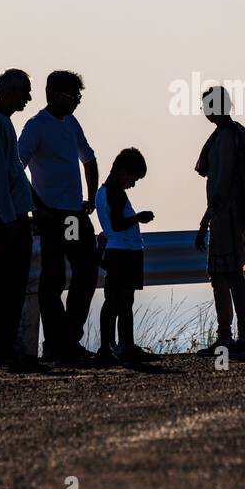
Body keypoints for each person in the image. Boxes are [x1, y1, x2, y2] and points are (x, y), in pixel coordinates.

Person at [18, 70, 100, 361]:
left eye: (79, 97)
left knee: (85, 272)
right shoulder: (36, 126)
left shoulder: (71, 122)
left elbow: (89, 158)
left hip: (72, 217)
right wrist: (38, 206)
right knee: (53, 279)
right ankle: (58, 342)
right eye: (73, 97)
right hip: (53, 218)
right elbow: (18, 165)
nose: (77, 102)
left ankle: (67, 338)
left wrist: (91, 197)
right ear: (54, 95)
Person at [193, 86, 245, 358]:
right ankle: (237, 335)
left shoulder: (227, 136)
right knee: (227, 275)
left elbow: (223, 180)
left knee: (225, 274)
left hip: (226, 215)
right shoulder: (232, 133)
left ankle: (235, 336)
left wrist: (207, 217)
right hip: (228, 213)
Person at [0, 68, 43, 371]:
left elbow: (13, 171)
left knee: (12, 285)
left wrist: (34, 206)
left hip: (13, 216)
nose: (28, 97)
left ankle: (3, 346)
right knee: (5, 285)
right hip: (8, 219)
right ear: (8, 91)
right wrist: (10, 218)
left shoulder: (2, 123)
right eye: (24, 91)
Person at [94, 148, 156, 364]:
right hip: (124, 253)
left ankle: (111, 345)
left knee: (116, 300)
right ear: (122, 172)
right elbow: (118, 224)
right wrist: (139, 217)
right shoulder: (116, 193)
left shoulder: (102, 193)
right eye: (133, 178)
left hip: (117, 251)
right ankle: (121, 346)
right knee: (119, 301)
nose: (133, 183)